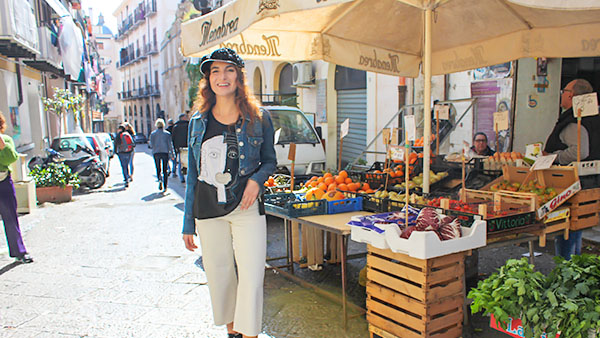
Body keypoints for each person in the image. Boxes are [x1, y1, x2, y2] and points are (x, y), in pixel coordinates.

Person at [182, 48, 276, 338]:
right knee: (220, 275)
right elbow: (192, 176)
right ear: (209, 79)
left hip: (247, 207)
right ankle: (233, 333)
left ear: (239, 76)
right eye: (215, 71)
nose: (222, 77)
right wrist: (187, 223)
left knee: (251, 275)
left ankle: (250, 334)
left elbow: (270, 160)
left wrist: (256, 180)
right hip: (208, 210)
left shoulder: (258, 117)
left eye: (229, 70)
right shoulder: (198, 122)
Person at [544, 79, 600, 259]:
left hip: (574, 180)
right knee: (578, 224)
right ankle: (574, 265)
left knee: (568, 225)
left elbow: (580, 151)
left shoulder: (575, 120)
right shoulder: (593, 119)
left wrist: (553, 157)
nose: (562, 94)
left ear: (571, 95)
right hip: (590, 180)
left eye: (564, 91)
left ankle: (566, 268)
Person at [0, 111, 33, 263]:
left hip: (3, 183)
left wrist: (1, 146)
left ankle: (20, 252)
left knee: (11, 219)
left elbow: (10, 158)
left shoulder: (6, 140)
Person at [149, 118, 174, 192]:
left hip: (156, 152)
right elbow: (170, 145)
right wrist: (172, 154)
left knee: (158, 168)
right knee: (165, 169)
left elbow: (151, 144)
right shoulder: (167, 134)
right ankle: (165, 186)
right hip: (165, 152)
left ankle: (159, 179)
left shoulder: (153, 134)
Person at [171, 112, 190, 183]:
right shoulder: (188, 125)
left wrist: (175, 148)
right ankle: (188, 177)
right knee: (189, 162)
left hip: (179, 148)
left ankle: (181, 177)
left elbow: (173, 138)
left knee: (180, 163)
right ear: (183, 118)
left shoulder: (175, 127)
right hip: (188, 147)